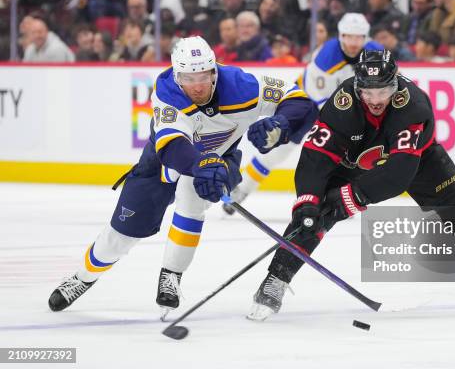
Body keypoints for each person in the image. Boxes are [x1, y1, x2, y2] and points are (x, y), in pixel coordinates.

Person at [246, 50, 455, 321]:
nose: (375, 100)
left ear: (395, 86)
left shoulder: (413, 106)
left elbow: (398, 174)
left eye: (383, 91)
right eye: (368, 92)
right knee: (314, 212)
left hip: (417, 161)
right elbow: (316, 156)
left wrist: (349, 199)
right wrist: (309, 199)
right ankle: (276, 279)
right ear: (357, 86)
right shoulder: (342, 104)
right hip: (353, 158)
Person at [47, 36, 317, 319]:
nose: (197, 85)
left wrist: (280, 123)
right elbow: (173, 146)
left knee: (193, 198)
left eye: (203, 76)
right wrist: (202, 164)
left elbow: (298, 100)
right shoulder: (166, 92)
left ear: (215, 71)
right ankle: (83, 277)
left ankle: (172, 275)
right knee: (121, 234)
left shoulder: (240, 85)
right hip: (164, 162)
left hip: (219, 160)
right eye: (189, 78)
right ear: (177, 76)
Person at [221, 13, 383, 216]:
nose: (353, 42)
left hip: (344, 106)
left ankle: (335, 196)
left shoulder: (376, 54)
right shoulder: (327, 57)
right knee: (278, 150)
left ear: (365, 38)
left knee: (345, 154)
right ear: (341, 36)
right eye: (349, 36)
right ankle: (241, 190)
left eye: (358, 37)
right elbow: (319, 98)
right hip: (307, 102)